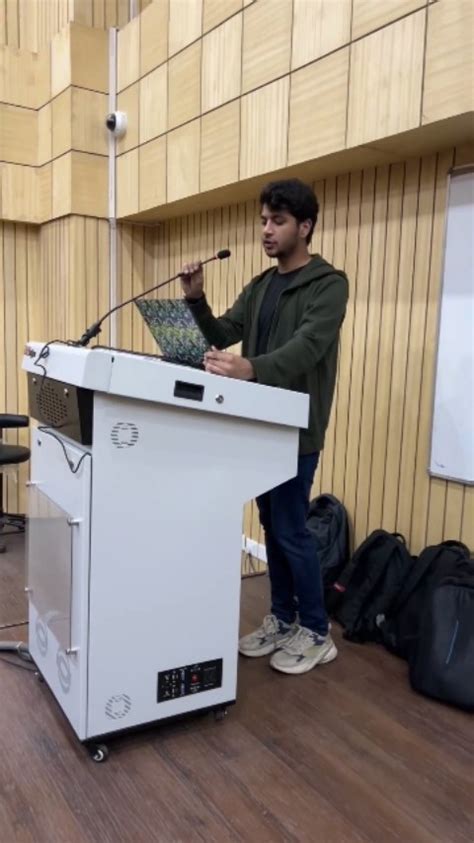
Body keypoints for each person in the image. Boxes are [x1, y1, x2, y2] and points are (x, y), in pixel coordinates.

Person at [181, 179, 348, 675]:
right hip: (257, 425)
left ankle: (316, 631)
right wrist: (196, 299)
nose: (267, 230)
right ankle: (281, 617)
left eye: (278, 221)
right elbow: (223, 332)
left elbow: (308, 348)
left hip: (296, 431)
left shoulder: (328, 284)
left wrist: (251, 368)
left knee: (292, 530)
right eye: (263, 221)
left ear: (305, 226)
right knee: (272, 527)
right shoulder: (259, 286)